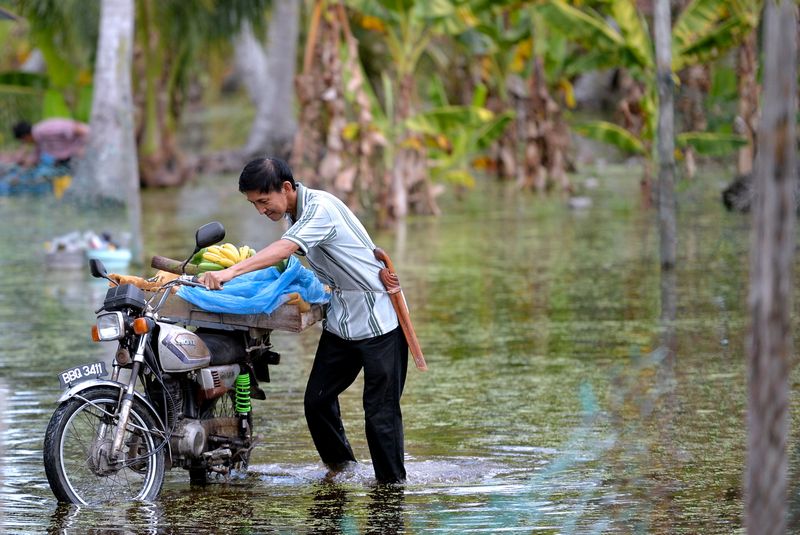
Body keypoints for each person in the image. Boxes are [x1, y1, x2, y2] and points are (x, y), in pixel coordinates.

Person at [199, 157, 409, 484]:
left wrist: (229, 273)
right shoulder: (295, 214)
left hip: (378, 320)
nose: (260, 211)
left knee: (380, 415)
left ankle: (392, 489)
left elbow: (284, 250)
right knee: (317, 401)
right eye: (253, 204)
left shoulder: (320, 209)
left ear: (286, 188)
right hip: (341, 318)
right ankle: (343, 470)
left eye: (264, 201)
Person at [12, 118, 90, 167]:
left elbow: (75, 127)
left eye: (23, 141)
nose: (25, 143)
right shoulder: (39, 140)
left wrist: (89, 143)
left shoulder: (45, 129)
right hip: (73, 157)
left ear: (25, 137)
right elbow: (34, 158)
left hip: (87, 144)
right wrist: (21, 162)